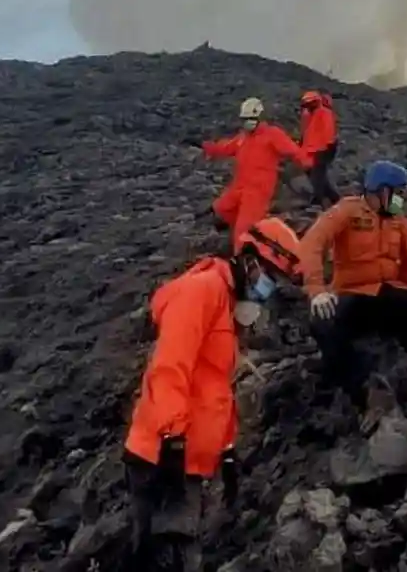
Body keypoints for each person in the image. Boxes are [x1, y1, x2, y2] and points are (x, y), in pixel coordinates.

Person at [122, 218, 301, 571]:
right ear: (251, 262)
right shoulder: (201, 291)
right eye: (270, 276)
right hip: (163, 456)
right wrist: (172, 438)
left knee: (158, 552)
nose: (269, 288)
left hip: (187, 457)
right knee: (169, 553)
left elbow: (215, 389)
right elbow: (170, 366)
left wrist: (227, 447)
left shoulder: (226, 304)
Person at [299, 161, 407, 426]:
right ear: (381, 191)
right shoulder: (348, 210)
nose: (401, 198)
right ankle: (362, 392)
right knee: (321, 321)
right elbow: (312, 242)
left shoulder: (397, 219)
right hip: (354, 295)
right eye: (397, 192)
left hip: (388, 294)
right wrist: (317, 290)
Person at [203, 97, 312, 249]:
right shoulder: (243, 137)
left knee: (242, 233)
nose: (247, 122)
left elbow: (292, 150)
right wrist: (210, 148)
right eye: (244, 119)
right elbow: (227, 148)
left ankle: (243, 258)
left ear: (259, 117)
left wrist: (307, 162)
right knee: (221, 208)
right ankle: (255, 230)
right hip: (239, 185)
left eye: (250, 119)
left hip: (258, 190)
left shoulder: (272, 134)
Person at [299, 90, 340, 208]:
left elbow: (328, 132)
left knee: (317, 176)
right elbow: (307, 133)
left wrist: (328, 146)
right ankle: (334, 198)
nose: (308, 107)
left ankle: (319, 200)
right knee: (317, 175)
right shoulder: (309, 114)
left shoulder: (324, 113)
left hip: (323, 150)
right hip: (313, 150)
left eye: (310, 104)